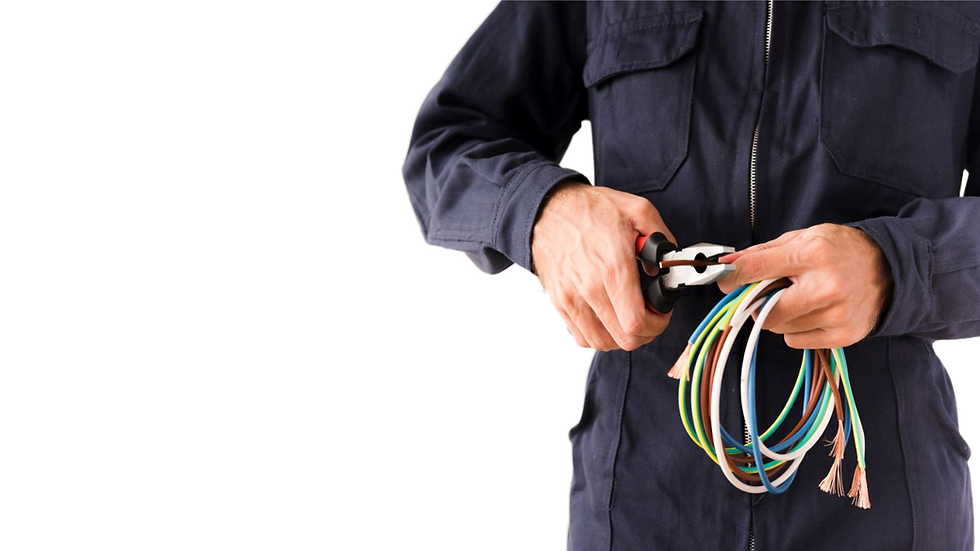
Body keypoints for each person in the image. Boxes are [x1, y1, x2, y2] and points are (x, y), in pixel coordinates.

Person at [401, 2, 980, 549]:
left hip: (885, 498)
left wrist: (898, 267)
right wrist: (545, 211)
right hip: (638, 501)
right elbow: (445, 145)